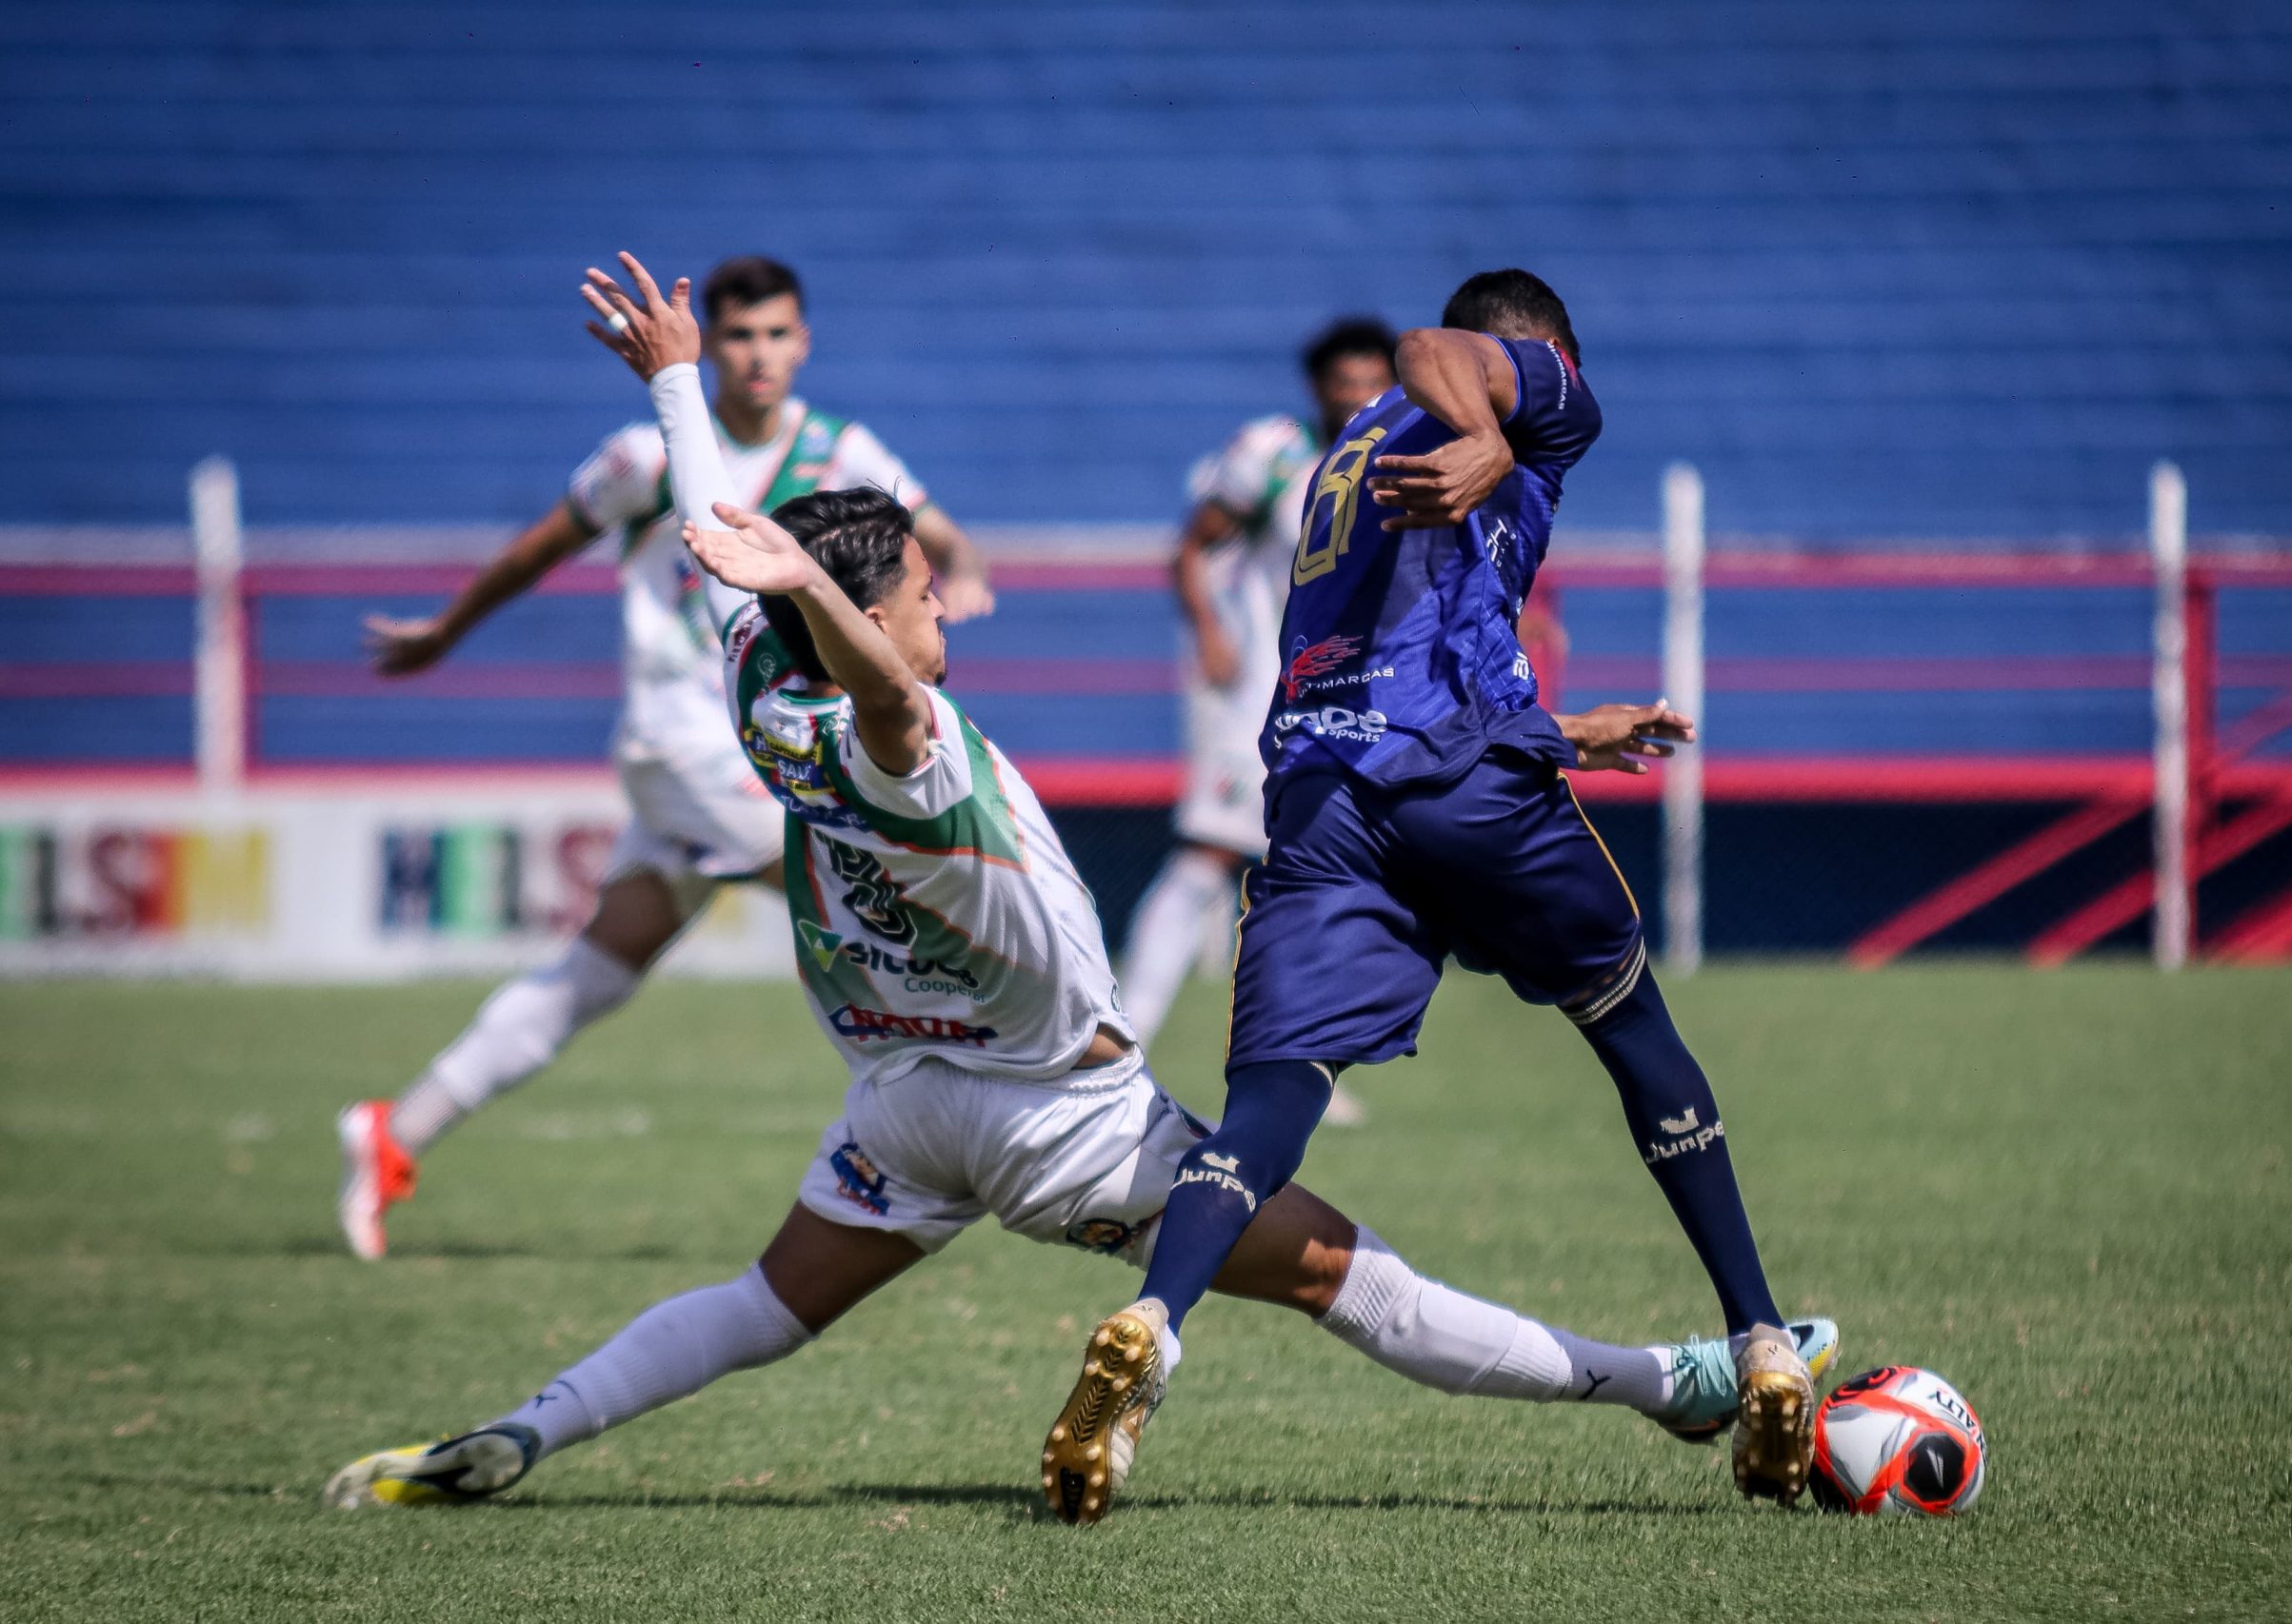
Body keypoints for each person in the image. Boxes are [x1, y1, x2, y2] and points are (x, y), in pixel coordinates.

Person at [322, 256, 1834, 1524]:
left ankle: (524, 1430)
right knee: (1352, 1275)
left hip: (903, 1101)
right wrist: (820, 584)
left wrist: (676, 398)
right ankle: (1671, 1378)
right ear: (863, 619)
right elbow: (872, 674)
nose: (942, 595)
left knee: (760, 1305)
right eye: (917, 585)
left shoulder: (762, 700)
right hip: (1068, 1116)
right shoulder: (903, 742)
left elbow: (726, 556)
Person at [1054, 270, 1830, 1514]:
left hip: (1321, 799)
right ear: (1543, 354)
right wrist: (1488, 425)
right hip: (1463, 789)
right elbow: (1429, 344)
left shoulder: (1348, 454)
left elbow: (1401, 664)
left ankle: (1154, 1321)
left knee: (1266, 1104)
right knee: (1633, 1029)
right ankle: (1762, 1340)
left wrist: (1563, 732)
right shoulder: (1531, 400)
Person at [335, 254, 993, 1261]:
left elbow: (930, 531)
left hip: (743, 745)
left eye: (777, 334)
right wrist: (444, 630)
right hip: (687, 740)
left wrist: (966, 574)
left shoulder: (838, 447)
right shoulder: (648, 458)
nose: (758, 354)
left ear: (803, 341)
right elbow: (535, 550)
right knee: (878, 885)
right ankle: (948, 1129)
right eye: (738, 335)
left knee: (595, 971)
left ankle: (391, 1131)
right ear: (713, 345)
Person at [1118, 321, 1396, 1102]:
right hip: (1260, 698)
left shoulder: (1406, 457)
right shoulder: (1273, 454)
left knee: (1326, 873)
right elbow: (1193, 545)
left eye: (1374, 382)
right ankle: (1118, 1041)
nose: (1359, 399)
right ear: (1317, 388)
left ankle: (1303, 1062)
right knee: (1206, 858)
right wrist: (1208, 630)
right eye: (1345, 382)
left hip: (1350, 701)